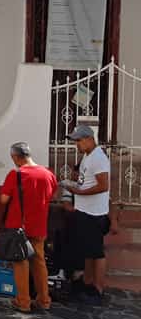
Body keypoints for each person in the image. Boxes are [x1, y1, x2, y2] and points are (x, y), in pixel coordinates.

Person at [0, 142, 58, 313]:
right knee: (39, 261)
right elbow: (52, 195)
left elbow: (3, 199)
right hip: (39, 225)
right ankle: (44, 299)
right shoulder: (48, 174)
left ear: (15, 157)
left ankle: (23, 301)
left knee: (21, 262)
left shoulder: (15, 174)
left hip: (19, 227)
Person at [60, 125, 110, 304]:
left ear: (89, 139)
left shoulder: (98, 158)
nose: (77, 145)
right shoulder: (87, 156)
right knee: (88, 252)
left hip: (94, 213)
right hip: (84, 211)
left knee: (97, 253)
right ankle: (87, 282)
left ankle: (98, 288)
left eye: (79, 141)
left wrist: (79, 192)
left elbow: (103, 186)